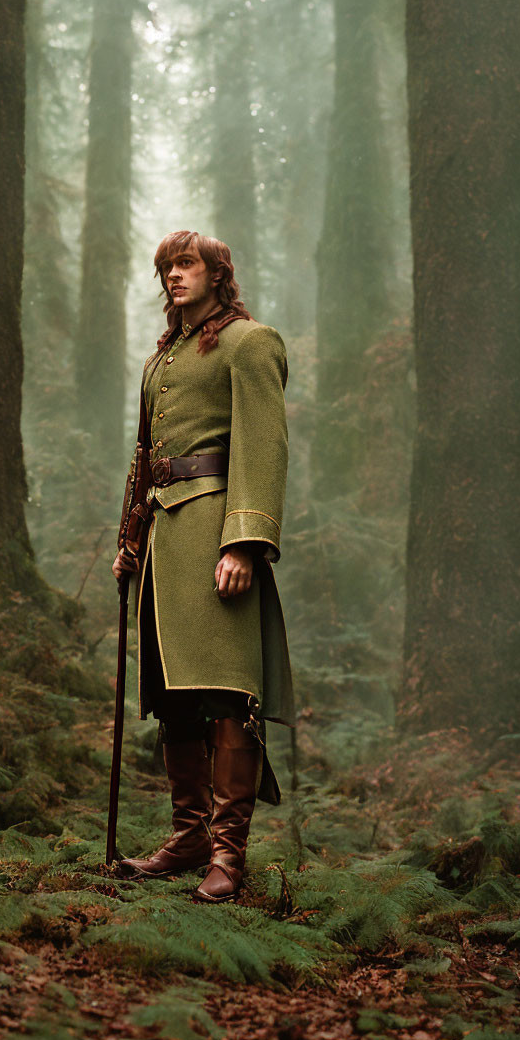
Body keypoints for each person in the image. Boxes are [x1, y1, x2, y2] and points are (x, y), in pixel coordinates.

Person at [112, 229, 294, 903]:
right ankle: (188, 838)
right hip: (166, 542)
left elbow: (263, 445)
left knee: (225, 694)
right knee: (174, 700)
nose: (173, 276)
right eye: (166, 267)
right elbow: (143, 458)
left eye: (186, 264)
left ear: (218, 273)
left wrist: (244, 540)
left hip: (216, 536)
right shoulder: (162, 360)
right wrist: (130, 538)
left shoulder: (251, 342)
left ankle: (228, 856)